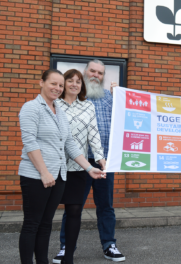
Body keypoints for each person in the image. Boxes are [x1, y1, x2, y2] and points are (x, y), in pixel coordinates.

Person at [18, 69, 105, 264]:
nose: (57, 88)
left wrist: (89, 168)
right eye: (53, 84)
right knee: (32, 224)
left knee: (46, 224)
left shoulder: (58, 110)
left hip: (58, 176)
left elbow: (69, 144)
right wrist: (44, 172)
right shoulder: (31, 108)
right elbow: (30, 142)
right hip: (36, 175)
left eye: (59, 85)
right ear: (42, 83)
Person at [54, 60, 125, 263]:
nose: (95, 75)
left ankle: (109, 245)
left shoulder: (110, 99)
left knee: (106, 206)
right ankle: (66, 247)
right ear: (85, 72)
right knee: (73, 206)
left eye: (100, 73)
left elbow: (127, 118)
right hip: (78, 161)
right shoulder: (75, 99)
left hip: (104, 161)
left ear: (103, 76)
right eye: (92, 71)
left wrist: (120, 97)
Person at [51, 69, 106, 264]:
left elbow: (94, 133)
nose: (74, 84)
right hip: (54, 167)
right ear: (63, 83)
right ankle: (41, 254)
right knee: (46, 211)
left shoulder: (88, 106)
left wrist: (100, 158)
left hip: (78, 166)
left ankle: (68, 256)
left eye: (78, 82)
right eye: (70, 81)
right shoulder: (54, 104)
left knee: (74, 211)